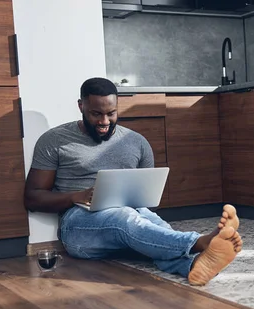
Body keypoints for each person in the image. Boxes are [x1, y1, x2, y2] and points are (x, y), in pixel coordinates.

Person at [24, 77, 242, 286]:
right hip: (78, 228)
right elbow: (32, 198)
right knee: (127, 217)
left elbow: (147, 197)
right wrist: (75, 196)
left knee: (151, 220)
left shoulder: (136, 142)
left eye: (111, 113)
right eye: (96, 114)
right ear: (81, 106)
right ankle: (199, 243)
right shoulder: (54, 140)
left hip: (132, 217)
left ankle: (194, 265)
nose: (104, 122)